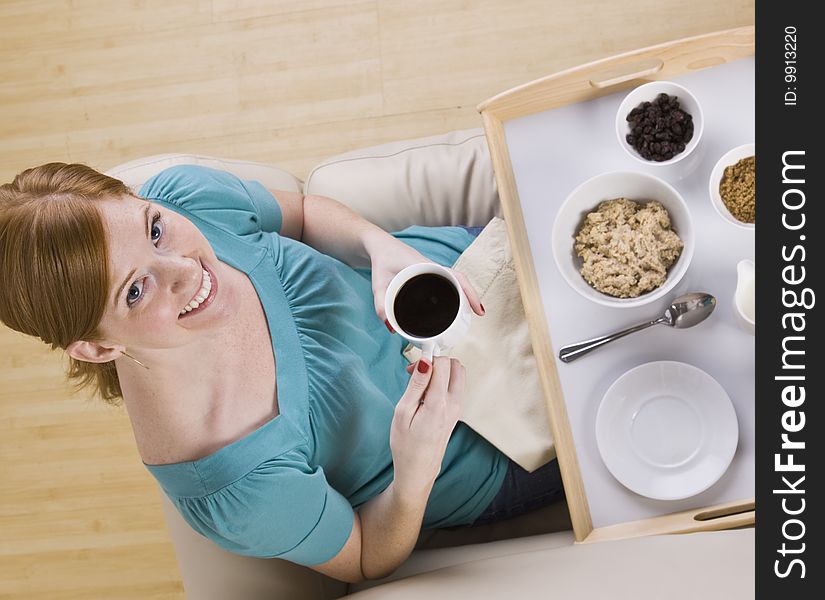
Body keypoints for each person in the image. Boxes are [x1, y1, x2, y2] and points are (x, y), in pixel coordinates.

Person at [0, 162, 564, 583]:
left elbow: (302, 213)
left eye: (153, 231)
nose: (185, 269)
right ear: (95, 349)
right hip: (491, 447)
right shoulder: (233, 484)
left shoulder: (184, 197)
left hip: (465, 273)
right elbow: (366, 556)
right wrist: (416, 466)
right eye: (135, 289)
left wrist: (379, 245)